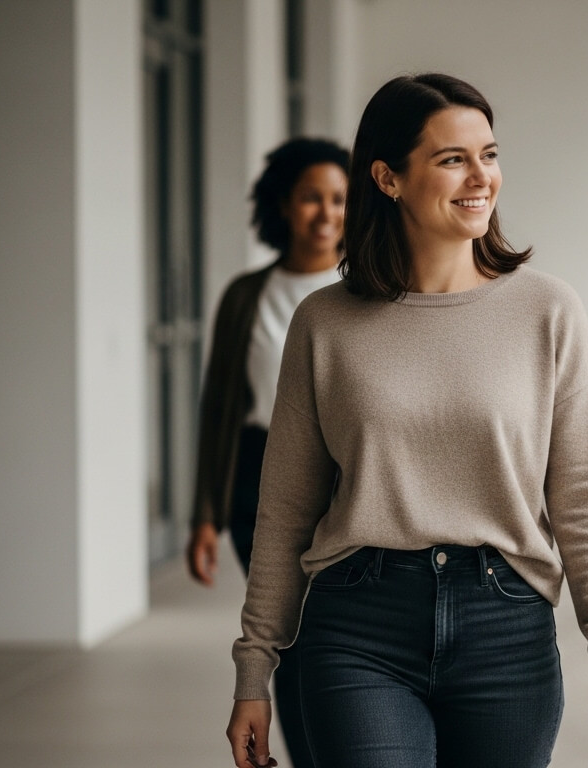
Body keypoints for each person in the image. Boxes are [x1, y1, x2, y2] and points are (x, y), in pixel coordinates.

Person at [225, 73, 588, 768]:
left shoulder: (548, 311)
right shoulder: (325, 324)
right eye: (453, 159)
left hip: (506, 624)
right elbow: (287, 506)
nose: (482, 176)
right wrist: (254, 671)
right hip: (358, 624)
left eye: (490, 153)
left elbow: (586, 495)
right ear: (388, 178)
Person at [189, 137, 351, 768]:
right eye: (312, 197)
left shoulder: (368, 284)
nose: (327, 213)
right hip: (258, 478)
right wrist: (205, 512)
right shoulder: (245, 296)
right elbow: (218, 410)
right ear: (283, 204)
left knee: (335, 629)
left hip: (346, 472)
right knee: (287, 629)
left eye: (340, 199)